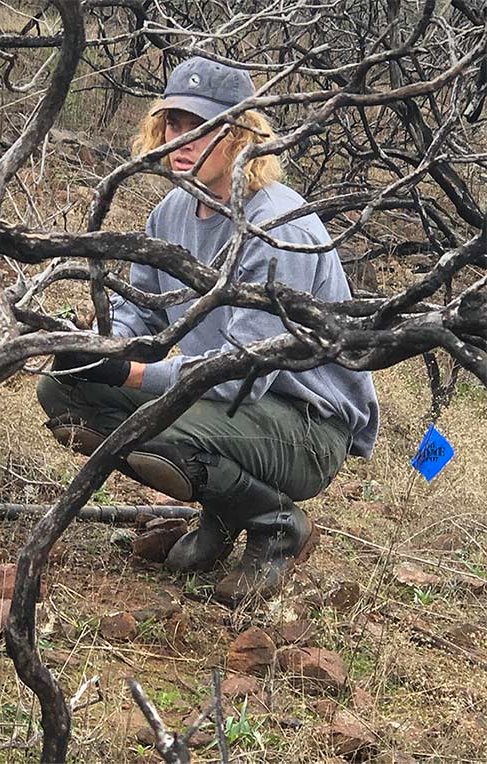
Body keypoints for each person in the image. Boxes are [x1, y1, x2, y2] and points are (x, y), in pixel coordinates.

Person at [39, 56, 380, 605]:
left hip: (308, 424)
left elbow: (237, 374)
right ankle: (225, 514)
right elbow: (142, 315)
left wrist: (128, 371)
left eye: (205, 125)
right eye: (173, 122)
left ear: (243, 135)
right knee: (62, 393)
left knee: (167, 431)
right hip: (223, 408)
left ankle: (275, 525)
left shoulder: (276, 222)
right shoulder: (170, 213)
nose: (184, 138)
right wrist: (98, 347)